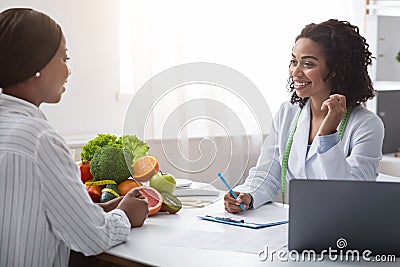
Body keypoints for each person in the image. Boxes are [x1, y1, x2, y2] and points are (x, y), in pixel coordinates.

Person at [0, 8, 148, 267]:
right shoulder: (39, 139)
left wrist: (104, 210)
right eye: (64, 58)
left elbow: (36, 214)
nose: (68, 71)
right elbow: (93, 238)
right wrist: (125, 214)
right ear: (37, 65)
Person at [224, 19, 384, 213]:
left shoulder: (367, 125)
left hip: (340, 231)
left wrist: (328, 135)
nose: (295, 72)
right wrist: (248, 196)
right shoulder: (288, 112)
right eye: (294, 61)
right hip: (289, 225)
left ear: (335, 70)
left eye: (307, 63)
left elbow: (350, 195)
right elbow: (269, 170)